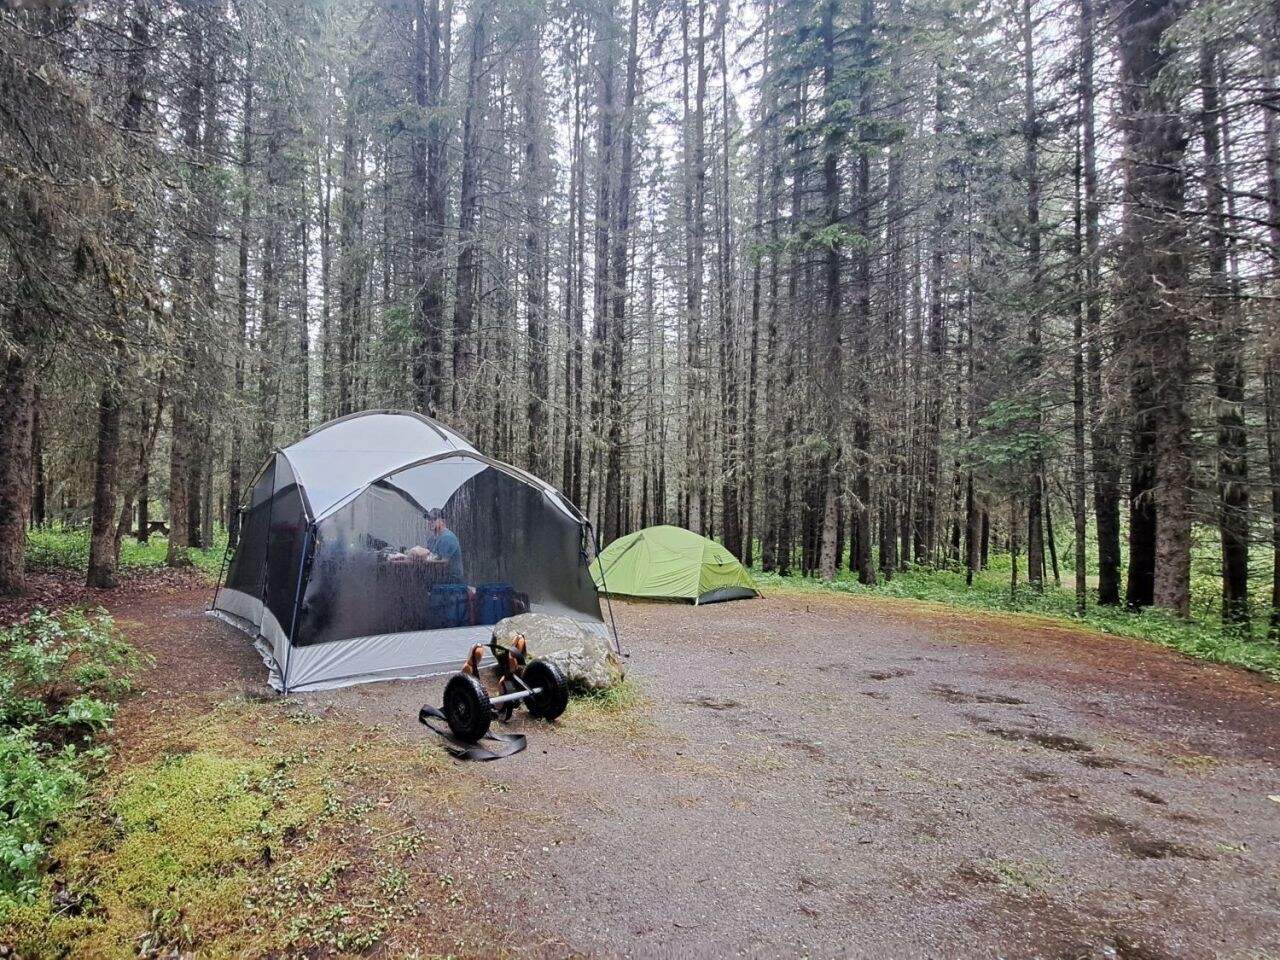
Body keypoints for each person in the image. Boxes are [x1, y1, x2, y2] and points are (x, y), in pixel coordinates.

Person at [389, 508, 463, 582]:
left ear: (443, 521)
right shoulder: (431, 539)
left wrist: (421, 559)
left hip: (452, 580)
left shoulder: (447, 537)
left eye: (433, 519)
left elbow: (443, 564)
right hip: (438, 577)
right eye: (428, 519)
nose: (430, 522)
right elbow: (430, 557)